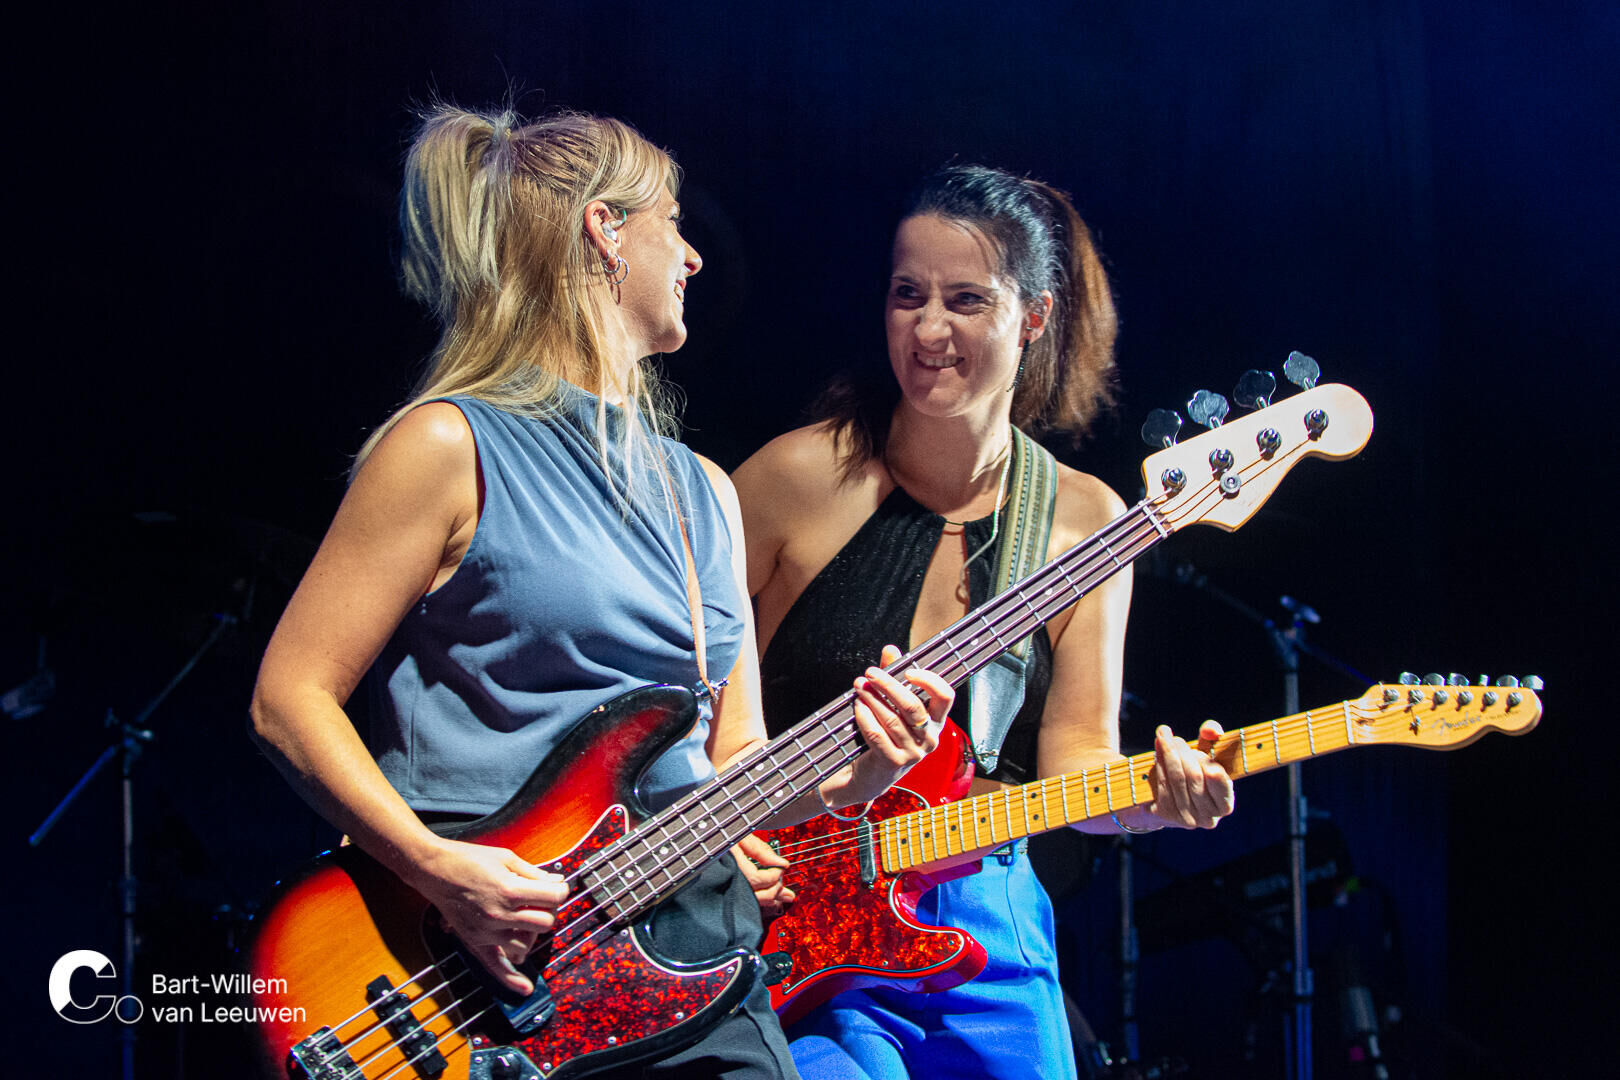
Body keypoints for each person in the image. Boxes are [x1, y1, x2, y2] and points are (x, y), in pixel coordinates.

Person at [248, 104, 954, 1079]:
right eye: (674, 221)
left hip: (697, 967)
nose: (696, 259)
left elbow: (732, 765)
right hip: (482, 978)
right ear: (604, 230)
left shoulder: (701, 492)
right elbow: (288, 698)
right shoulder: (450, 445)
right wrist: (439, 872)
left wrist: (862, 772)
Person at [730, 165, 1237, 1079]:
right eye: (907, 295)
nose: (928, 330)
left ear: (1034, 316)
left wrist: (1154, 806)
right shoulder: (790, 481)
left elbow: (1076, 763)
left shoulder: (1086, 521)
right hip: (786, 915)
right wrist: (727, 833)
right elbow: (685, 699)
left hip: (985, 915)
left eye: (966, 300)